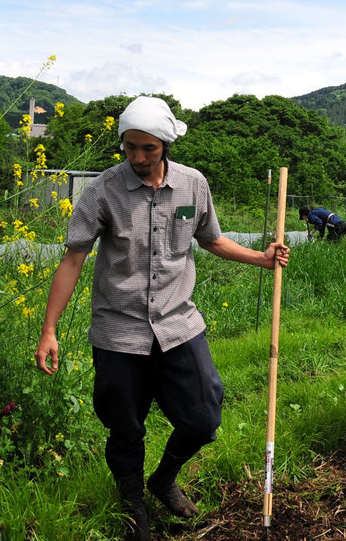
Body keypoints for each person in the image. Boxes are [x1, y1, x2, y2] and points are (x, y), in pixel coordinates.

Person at [34, 96, 291, 541]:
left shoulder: (193, 185)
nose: (137, 157)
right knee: (125, 425)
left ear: (166, 145)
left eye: (148, 148)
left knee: (204, 418)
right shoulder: (102, 191)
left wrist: (261, 258)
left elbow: (211, 239)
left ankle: (164, 478)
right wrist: (49, 330)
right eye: (129, 148)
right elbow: (74, 260)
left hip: (178, 324)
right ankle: (134, 503)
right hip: (119, 331)